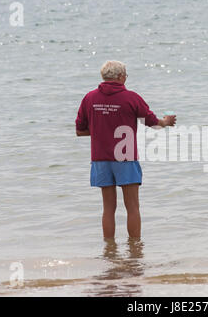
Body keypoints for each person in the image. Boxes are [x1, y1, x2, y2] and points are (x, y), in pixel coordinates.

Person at [75, 60, 176, 238]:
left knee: (108, 208)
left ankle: (109, 248)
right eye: (126, 76)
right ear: (121, 77)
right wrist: (166, 122)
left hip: (100, 158)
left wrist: (102, 131)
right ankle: (135, 249)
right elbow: (152, 123)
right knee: (132, 207)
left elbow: (80, 130)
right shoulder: (131, 98)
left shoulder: (89, 98)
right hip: (125, 157)